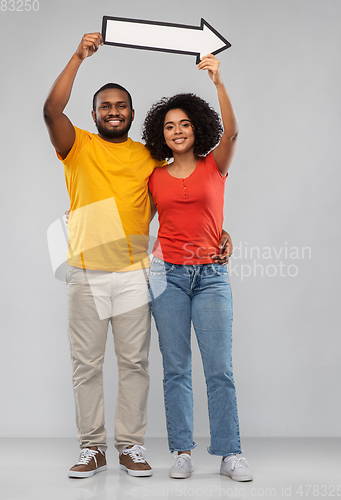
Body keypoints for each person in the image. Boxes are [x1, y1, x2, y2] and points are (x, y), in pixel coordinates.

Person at [43, 32, 232, 479]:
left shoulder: (149, 156)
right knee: (86, 365)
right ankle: (92, 447)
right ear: (93, 114)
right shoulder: (77, 147)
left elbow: (185, 197)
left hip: (136, 275)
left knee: (135, 364)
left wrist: (220, 230)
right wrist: (77, 57)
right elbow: (51, 110)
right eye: (105, 106)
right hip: (85, 274)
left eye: (121, 106)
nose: (113, 111)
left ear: (131, 112)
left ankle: (131, 446)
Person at [143, 54, 253, 481]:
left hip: (210, 276)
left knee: (220, 368)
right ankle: (182, 451)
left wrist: (218, 80)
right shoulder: (154, 176)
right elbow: (138, 220)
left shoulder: (215, 165)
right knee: (176, 367)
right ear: (161, 134)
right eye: (169, 126)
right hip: (166, 275)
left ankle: (229, 453)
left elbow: (236, 130)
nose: (177, 131)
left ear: (197, 127)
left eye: (184, 123)